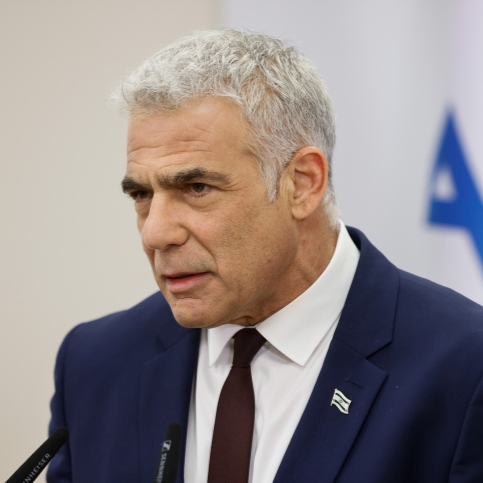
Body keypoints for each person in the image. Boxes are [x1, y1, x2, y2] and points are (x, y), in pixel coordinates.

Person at [48, 29, 483, 483]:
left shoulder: (466, 368)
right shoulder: (95, 364)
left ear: (302, 183)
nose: (156, 233)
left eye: (196, 187)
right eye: (141, 194)